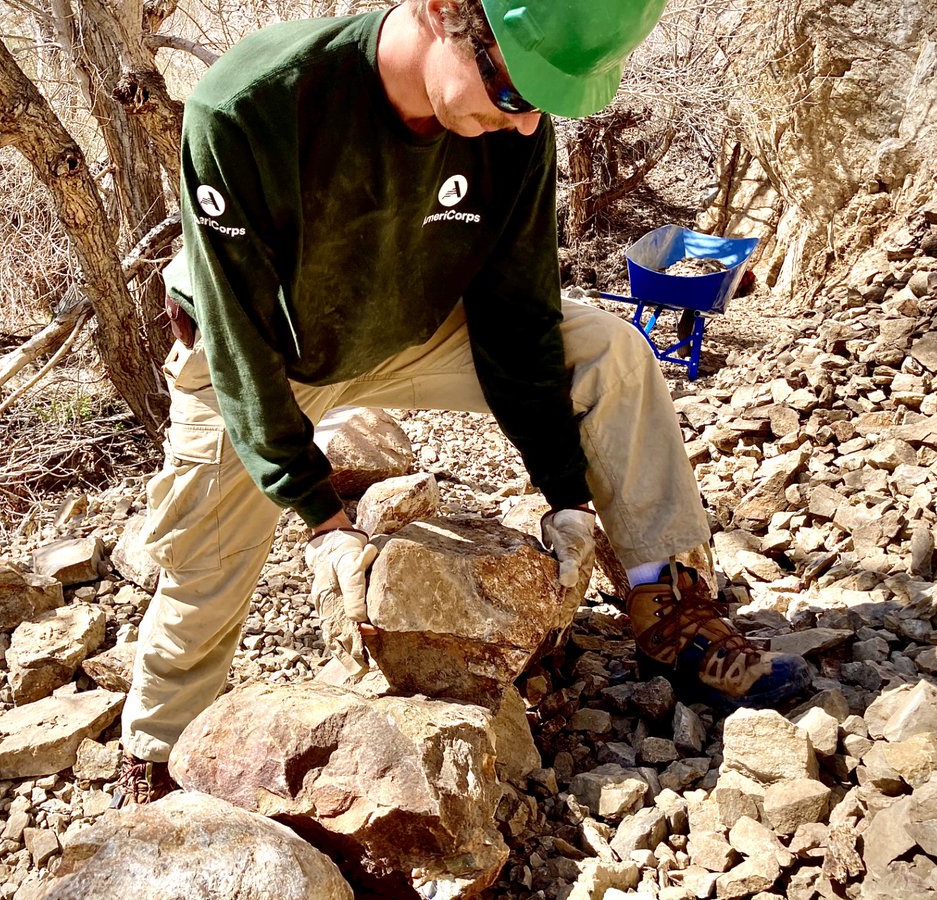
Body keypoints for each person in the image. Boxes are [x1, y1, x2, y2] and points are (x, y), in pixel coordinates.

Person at [113, 0, 811, 806]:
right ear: (445, 12)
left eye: (545, 105)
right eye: (516, 93)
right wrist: (322, 518)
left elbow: (518, 316)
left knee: (609, 352)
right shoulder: (252, 104)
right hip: (268, 346)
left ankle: (667, 602)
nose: (523, 126)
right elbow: (237, 333)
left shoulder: (513, 130)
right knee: (205, 560)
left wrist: (567, 494)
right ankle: (159, 746)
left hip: (415, 322)